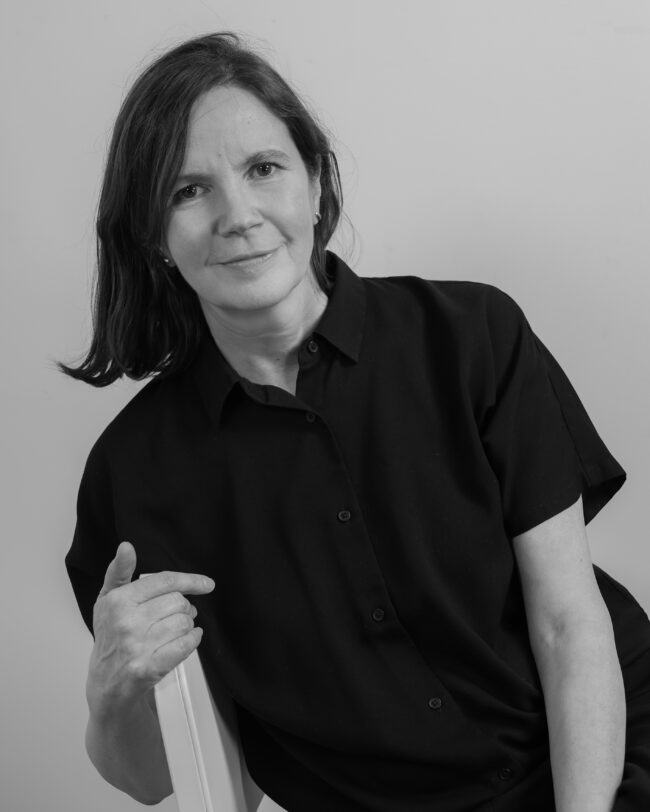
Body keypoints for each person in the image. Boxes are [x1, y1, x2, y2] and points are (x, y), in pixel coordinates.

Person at [62, 32, 650, 812]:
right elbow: (153, 780)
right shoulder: (135, 472)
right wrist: (110, 691)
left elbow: (569, 627)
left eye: (263, 169)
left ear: (313, 182)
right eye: (186, 190)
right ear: (152, 235)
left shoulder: (473, 335)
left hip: (604, 767)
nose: (238, 215)